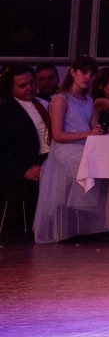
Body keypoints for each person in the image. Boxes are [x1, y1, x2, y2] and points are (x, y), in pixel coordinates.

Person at [34, 56, 109, 242]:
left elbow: (94, 128)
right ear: (72, 72)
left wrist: (103, 133)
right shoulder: (61, 99)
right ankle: (106, 225)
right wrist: (88, 134)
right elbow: (58, 135)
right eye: (83, 72)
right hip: (66, 149)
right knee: (105, 170)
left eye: (91, 74)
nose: (87, 77)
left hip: (85, 147)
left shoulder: (88, 100)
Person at [1, 64, 50, 222]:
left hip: (54, 156)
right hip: (29, 163)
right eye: (22, 85)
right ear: (11, 90)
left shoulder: (46, 102)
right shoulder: (5, 113)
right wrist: (24, 170)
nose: (29, 88)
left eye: (31, 82)